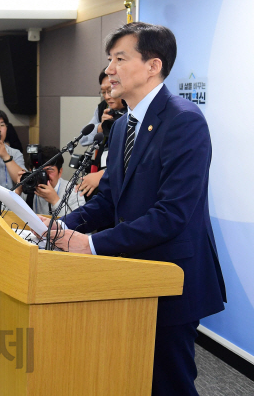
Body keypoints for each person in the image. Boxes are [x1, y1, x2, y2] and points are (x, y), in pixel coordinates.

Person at [45, 22, 226, 396]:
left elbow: (171, 215)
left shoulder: (184, 121)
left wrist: (89, 245)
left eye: (119, 59)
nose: (109, 69)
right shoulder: (124, 124)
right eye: (110, 59)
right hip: (129, 274)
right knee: (129, 375)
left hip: (170, 277)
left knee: (169, 383)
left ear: (152, 66)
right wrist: (58, 226)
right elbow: (109, 199)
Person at [77, 70, 128, 198]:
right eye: (103, 92)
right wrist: (101, 127)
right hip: (101, 170)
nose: (106, 96)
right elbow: (83, 139)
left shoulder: (133, 110)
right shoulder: (102, 108)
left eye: (110, 91)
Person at [15, 146, 85, 216]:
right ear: (31, 171)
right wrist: (17, 192)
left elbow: (79, 222)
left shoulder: (73, 191)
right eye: (38, 171)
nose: (44, 175)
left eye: (49, 170)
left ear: (60, 172)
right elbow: (5, 215)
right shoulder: (28, 187)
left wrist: (55, 200)